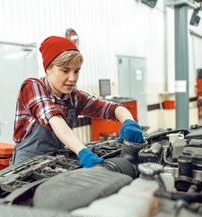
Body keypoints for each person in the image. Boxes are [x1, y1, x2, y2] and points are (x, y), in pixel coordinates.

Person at [11, 36, 143, 167]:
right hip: (25, 167)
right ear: (48, 69)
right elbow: (54, 119)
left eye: (76, 71)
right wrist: (83, 152)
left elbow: (112, 108)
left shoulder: (74, 97)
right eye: (65, 71)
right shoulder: (32, 86)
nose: (72, 78)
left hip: (53, 162)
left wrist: (129, 122)